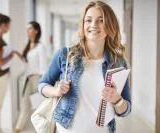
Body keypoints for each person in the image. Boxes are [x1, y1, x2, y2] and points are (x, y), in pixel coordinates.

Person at [37, 1, 131, 133]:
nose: (93, 25)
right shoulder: (64, 55)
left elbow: (126, 110)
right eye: (88, 20)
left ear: (110, 25)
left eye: (101, 20)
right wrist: (56, 91)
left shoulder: (119, 62)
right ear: (82, 24)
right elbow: (42, 85)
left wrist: (117, 100)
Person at [14, 21, 47, 133]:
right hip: (27, 79)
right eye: (27, 29)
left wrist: (42, 83)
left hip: (36, 79)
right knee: (24, 107)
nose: (27, 31)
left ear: (36, 31)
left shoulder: (40, 47)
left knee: (38, 109)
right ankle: (17, 130)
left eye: (30, 29)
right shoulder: (28, 45)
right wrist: (19, 56)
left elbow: (43, 67)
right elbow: (28, 63)